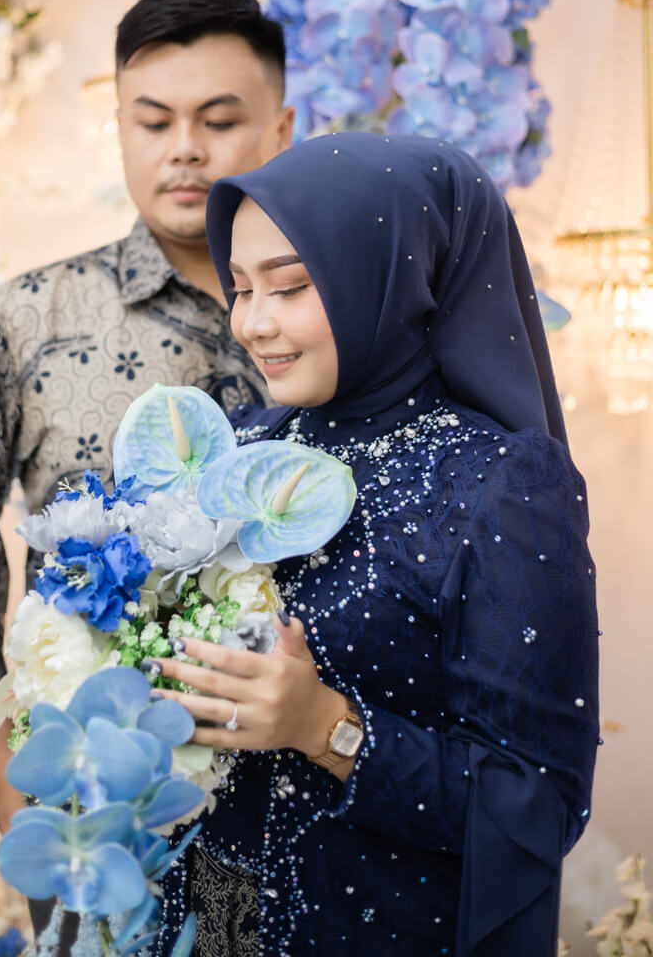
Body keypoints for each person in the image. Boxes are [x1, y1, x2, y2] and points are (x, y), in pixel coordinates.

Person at [146, 132, 600, 956]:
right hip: (199, 926)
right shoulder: (239, 445)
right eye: (240, 287)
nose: (253, 322)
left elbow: (537, 807)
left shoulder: (499, 484)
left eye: (289, 285)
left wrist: (326, 726)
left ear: (392, 277)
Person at [0, 0, 293, 848]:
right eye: (154, 122)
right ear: (118, 129)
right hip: (105, 813)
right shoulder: (28, 318)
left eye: (220, 121)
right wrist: (1, 771)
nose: (185, 149)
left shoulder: (345, 315)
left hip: (321, 803)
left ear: (281, 128)